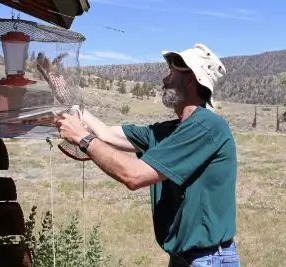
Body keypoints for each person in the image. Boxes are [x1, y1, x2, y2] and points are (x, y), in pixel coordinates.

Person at [53, 43, 240, 267]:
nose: (164, 80)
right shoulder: (168, 131)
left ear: (191, 79)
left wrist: (82, 138)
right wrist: (65, 96)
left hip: (208, 259)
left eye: (171, 73)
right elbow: (103, 134)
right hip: (184, 258)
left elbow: (133, 175)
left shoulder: (207, 126)